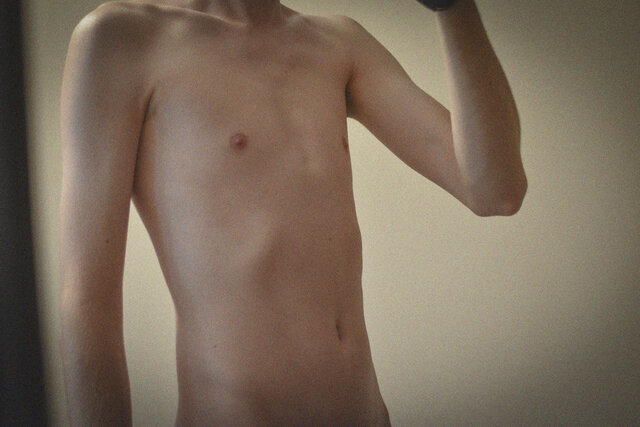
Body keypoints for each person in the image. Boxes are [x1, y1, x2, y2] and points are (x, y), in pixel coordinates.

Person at [58, 0, 527, 425]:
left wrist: (454, 8)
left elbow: (495, 190)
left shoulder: (337, 41)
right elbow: (88, 301)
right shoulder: (122, 38)